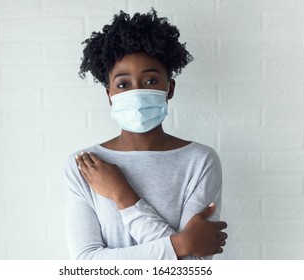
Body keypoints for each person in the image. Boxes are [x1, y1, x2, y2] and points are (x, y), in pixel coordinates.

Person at [64, 8, 227, 260]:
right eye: (123, 84)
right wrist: (181, 245)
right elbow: (86, 263)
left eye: (150, 81)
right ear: (109, 94)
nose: (137, 92)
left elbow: (193, 267)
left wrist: (123, 195)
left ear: (169, 88)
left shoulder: (200, 161)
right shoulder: (85, 166)